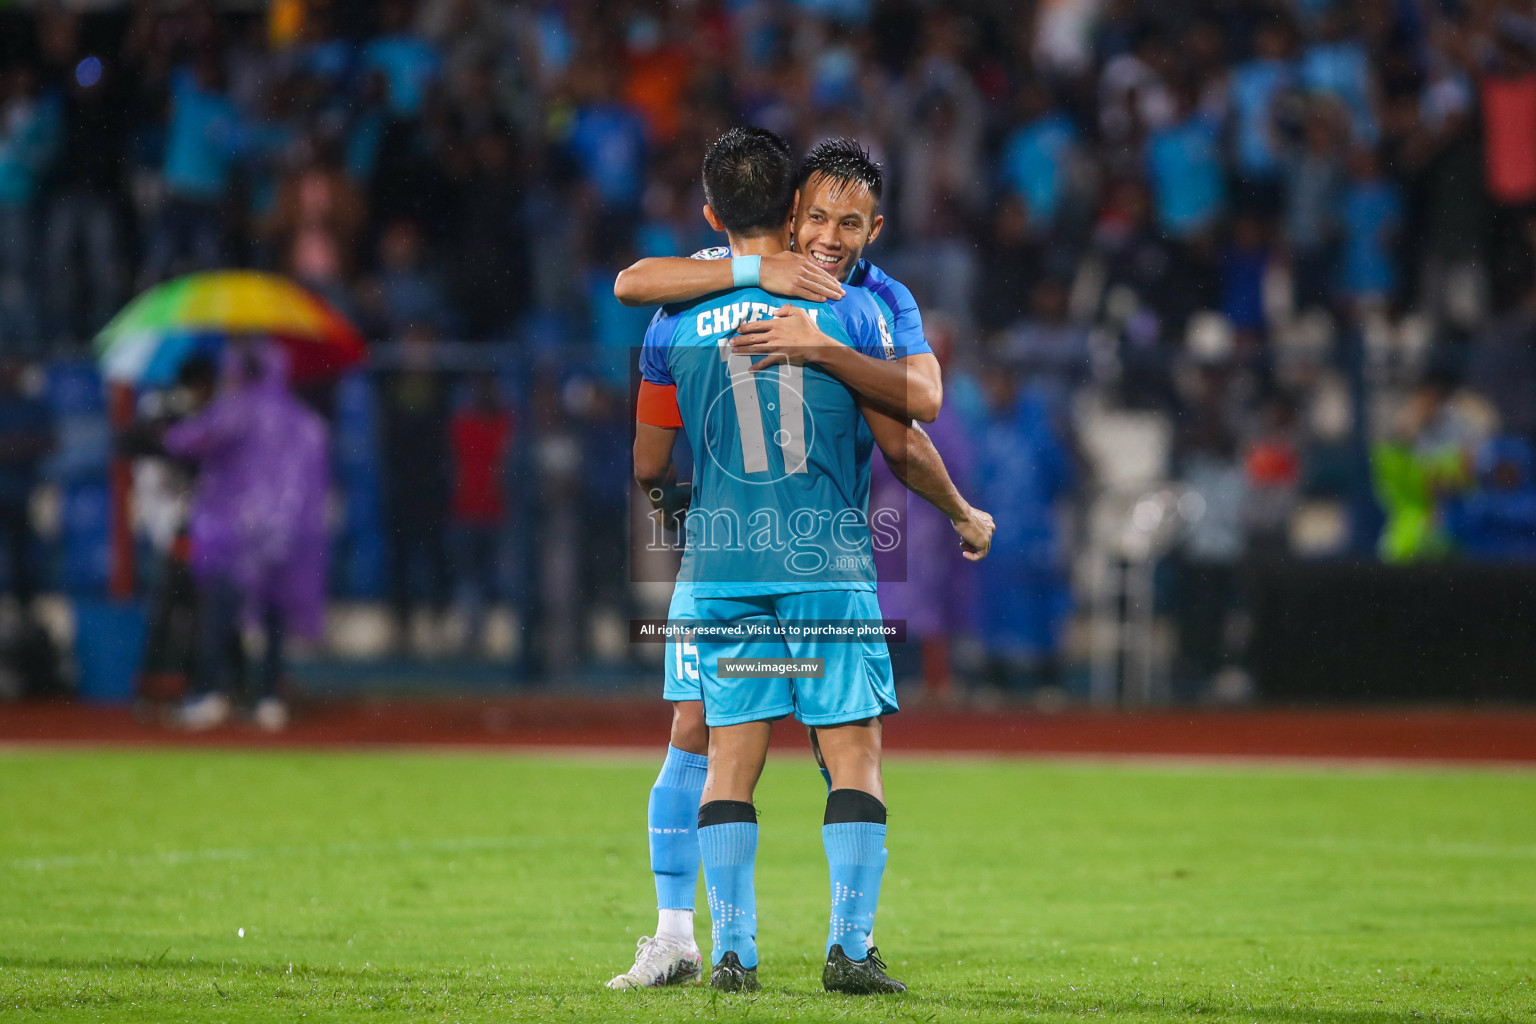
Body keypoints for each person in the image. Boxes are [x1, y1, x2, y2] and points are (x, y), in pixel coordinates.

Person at [626, 127, 993, 996]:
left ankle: (730, 953)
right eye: (819, 217)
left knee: (721, 750)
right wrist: (961, 514)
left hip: (720, 572)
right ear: (790, 211)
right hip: (823, 569)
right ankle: (848, 950)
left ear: (875, 228)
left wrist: (674, 504)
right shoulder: (857, 315)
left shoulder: (678, 313)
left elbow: (647, 454)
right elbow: (907, 440)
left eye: (851, 223)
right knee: (853, 748)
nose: (831, 235)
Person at [164, 343, 328, 732]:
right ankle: (269, 699)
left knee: (220, 616)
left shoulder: (235, 408)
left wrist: (175, 423)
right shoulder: (301, 418)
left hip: (233, 532)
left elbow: (185, 442)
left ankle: (212, 694)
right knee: (272, 618)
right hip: (283, 534)